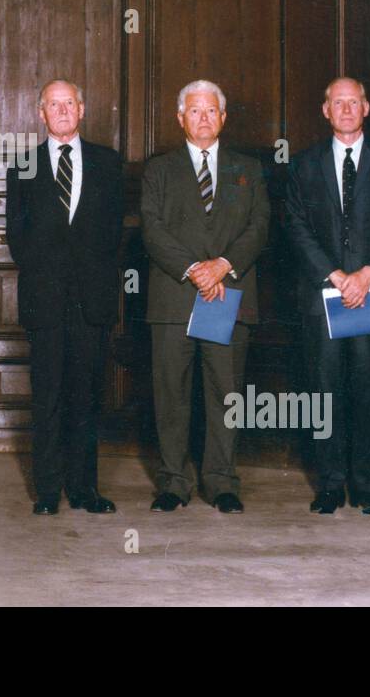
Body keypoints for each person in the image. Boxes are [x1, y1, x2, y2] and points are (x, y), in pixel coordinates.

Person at [284, 77, 370, 515]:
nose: (345, 109)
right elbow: (296, 227)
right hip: (324, 294)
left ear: (366, 107)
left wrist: (367, 274)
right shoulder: (303, 165)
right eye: (337, 102)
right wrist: (336, 275)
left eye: (353, 101)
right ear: (325, 111)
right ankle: (329, 484)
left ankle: (366, 486)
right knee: (324, 391)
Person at [141, 79, 269, 514]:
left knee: (225, 392)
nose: (203, 118)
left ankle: (221, 480)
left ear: (224, 118)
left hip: (227, 295)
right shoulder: (159, 169)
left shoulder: (248, 168)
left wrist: (222, 266)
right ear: (180, 119)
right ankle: (174, 481)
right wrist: (195, 269)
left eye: (211, 111)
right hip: (175, 296)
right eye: (194, 111)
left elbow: (259, 227)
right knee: (171, 394)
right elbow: (152, 228)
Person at [5, 80, 123, 516]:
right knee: (48, 397)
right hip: (46, 300)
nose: (62, 111)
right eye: (53, 105)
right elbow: (16, 236)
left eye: (69, 103)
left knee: (86, 398)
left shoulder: (108, 163)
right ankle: (49, 491)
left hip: (92, 301)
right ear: (41, 113)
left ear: (82, 108)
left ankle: (85, 489)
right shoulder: (24, 165)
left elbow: (113, 232)